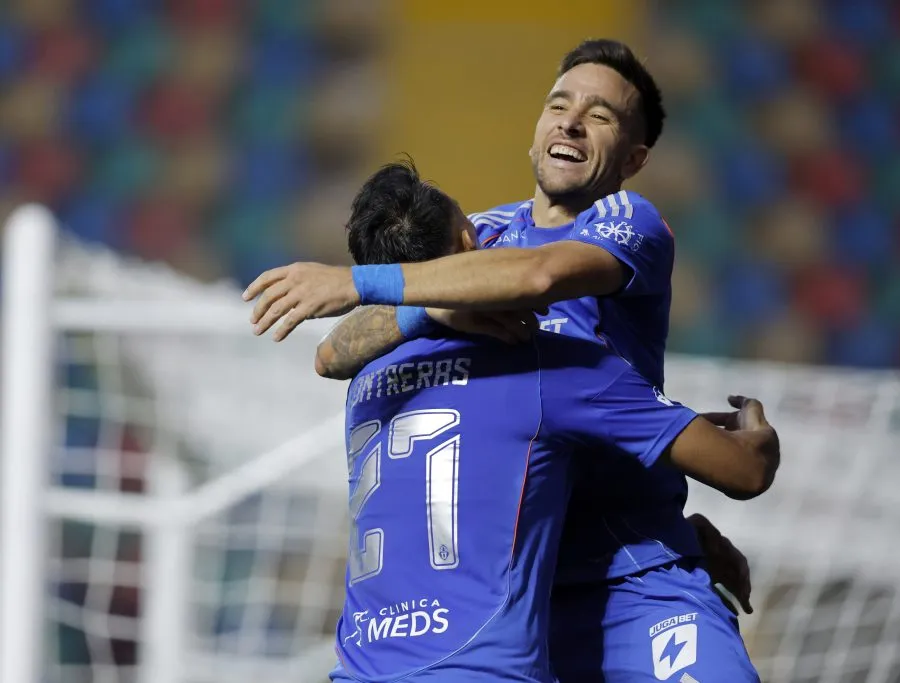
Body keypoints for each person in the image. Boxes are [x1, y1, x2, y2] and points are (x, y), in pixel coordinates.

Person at [245, 40, 764, 682]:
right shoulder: (480, 238)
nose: (571, 121)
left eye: (599, 115)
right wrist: (436, 307)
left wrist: (364, 281)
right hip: (518, 596)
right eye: (558, 104)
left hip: (632, 576)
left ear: (633, 158)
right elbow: (335, 352)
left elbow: (541, 277)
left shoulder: (630, 221)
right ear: (537, 132)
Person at [329, 161, 779, 682]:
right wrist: (754, 431)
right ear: (471, 244)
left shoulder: (365, 380)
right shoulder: (552, 367)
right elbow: (744, 470)